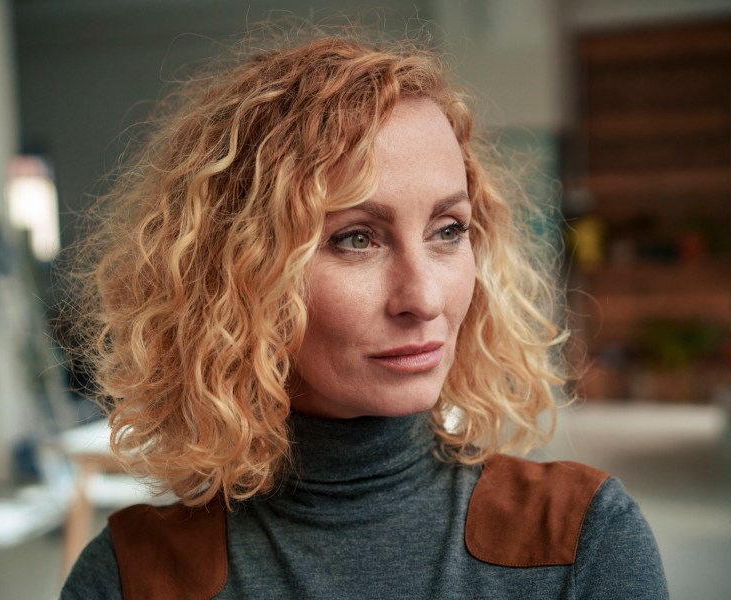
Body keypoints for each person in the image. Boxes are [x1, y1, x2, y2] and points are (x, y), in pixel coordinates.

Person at [60, 26, 668, 599]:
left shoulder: (579, 539)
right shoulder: (130, 577)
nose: (424, 299)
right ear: (237, 274)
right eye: (357, 238)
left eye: (448, 230)